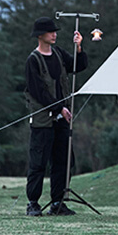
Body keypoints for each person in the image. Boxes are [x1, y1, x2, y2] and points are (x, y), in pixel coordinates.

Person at [24, 17, 88, 216]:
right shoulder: (33, 60)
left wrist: (79, 48)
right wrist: (59, 108)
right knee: (39, 162)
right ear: (40, 35)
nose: (55, 34)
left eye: (55, 31)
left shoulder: (59, 53)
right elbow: (38, 92)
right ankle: (33, 203)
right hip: (44, 120)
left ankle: (57, 202)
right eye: (51, 32)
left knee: (63, 161)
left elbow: (77, 66)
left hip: (62, 118)